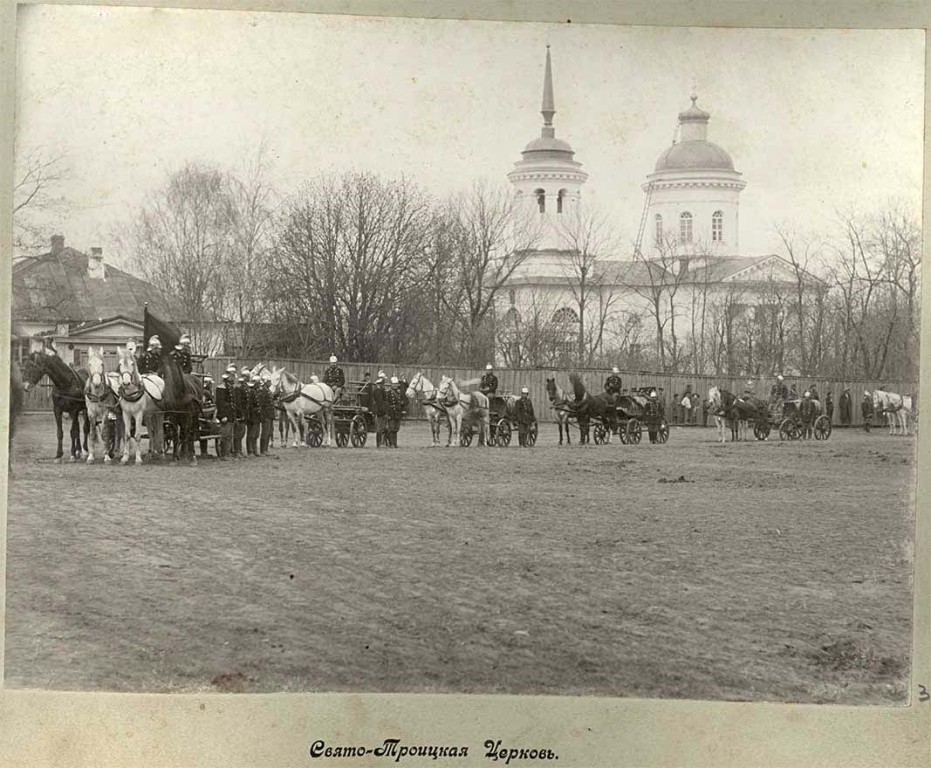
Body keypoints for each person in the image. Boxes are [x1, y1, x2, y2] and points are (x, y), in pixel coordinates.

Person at [216, 366, 236, 460]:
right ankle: (224, 454)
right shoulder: (221, 387)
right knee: (225, 435)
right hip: (225, 414)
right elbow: (220, 403)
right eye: (232, 376)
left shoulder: (230, 387)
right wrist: (222, 415)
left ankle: (228, 453)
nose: (233, 378)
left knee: (229, 435)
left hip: (230, 414)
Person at [232, 368, 249, 459]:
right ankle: (237, 451)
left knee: (241, 433)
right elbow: (238, 403)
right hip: (239, 414)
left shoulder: (245, 387)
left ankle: (239, 450)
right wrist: (240, 413)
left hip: (244, 413)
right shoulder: (238, 388)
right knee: (238, 434)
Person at [385, 376, 405, 448]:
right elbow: (387, 403)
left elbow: (403, 401)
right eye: (394, 384)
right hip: (391, 412)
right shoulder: (388, 393)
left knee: (396, 428)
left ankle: (395, 443)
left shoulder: (399, 393)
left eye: (396, 384)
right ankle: (391, 443)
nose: (395, 385)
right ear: (391, 384)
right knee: (391, 428)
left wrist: (402, 404)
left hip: (397, 412)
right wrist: (387, 413)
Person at [257, 376, 275, 456]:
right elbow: (262, 404)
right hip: (266, 415)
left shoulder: (267, 390)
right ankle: (263, 450)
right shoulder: (262, 391)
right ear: (265, 382)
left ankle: (266, 449)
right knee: (265, 433)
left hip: (270, 415)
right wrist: (263, 416)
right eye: (269, 381)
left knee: (268, 433)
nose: (270, 383)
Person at [245, 373, 262, 457]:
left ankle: (255, 450)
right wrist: (256, 409)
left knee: (256, 434)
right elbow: (249, 405)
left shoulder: (255, 392)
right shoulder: (251, 392)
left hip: (256, 416)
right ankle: (250, 450)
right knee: (251, 434)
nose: (259, 386)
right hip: (251, 416)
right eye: (258, 384)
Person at [372, 373, 387, 447]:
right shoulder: (378, 392)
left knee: (382, 427)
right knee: (379, 428)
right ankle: (379, 443)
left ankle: (381, 442)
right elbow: (380, 402)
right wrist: (383, 411)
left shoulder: (380, 391)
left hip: (380, 410)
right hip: (379, 411)